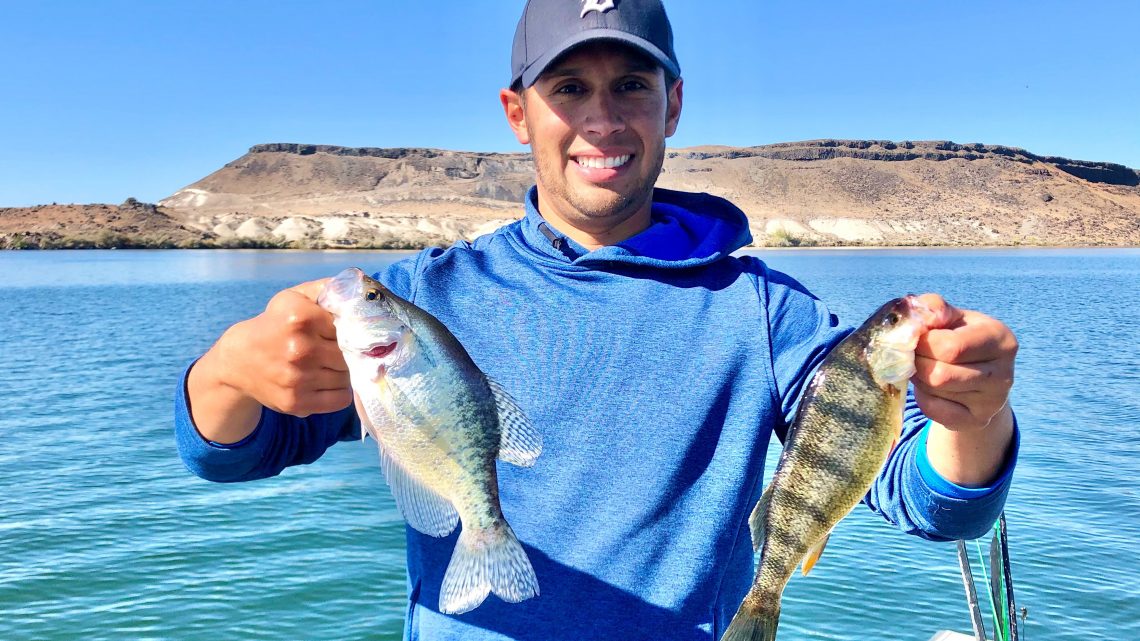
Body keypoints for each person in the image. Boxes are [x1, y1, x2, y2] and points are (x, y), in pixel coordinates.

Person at [174, 1, 1020, 639]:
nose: (602, 121)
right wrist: (224, 373)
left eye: (631, 87)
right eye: (570, 88)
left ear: (673, 104)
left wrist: (974, 415)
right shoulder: (417, 298)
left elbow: (938, 505)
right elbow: (235, 450)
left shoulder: (768, 311)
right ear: (517, 113)